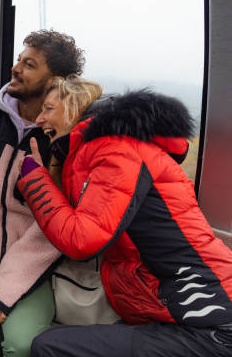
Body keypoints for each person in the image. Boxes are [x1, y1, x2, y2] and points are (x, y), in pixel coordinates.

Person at [17, 76, 232, 356]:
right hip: (180, 313)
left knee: (49, 346)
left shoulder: (117, 149)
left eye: (48, 109)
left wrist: (35, 179)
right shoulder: (105, 151)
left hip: (213, 322)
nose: (39, 119)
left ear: (74, 108)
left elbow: (81, 239)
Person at [0, 30, 85, 356]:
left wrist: (6, 288)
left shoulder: (62, 139)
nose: (16, 68)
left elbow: (57, 224)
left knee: (24, 344)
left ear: (54, 80)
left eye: (29, 64)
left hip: (34, 261)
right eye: (20, 60)